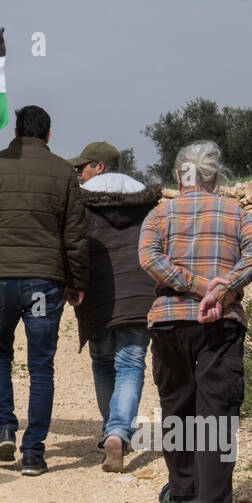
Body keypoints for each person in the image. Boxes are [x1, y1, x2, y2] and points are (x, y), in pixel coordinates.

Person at [138, 140, 252, 503]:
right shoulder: (236, 212)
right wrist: (220, 290)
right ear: (215, 179)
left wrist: (191, 286)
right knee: (218, 412)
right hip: (220, 322)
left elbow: (148, 258)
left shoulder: (159, 213)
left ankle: (183, 493)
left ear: (179, 177)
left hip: (168, 323)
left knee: (176, 405)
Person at [0, 105, 89, 476]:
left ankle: (4, 428)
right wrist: (76, 280)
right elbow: (75, 235)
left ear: (15, 132)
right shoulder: (64, 172)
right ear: (48, 136)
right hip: (42, 284)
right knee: (40, 365)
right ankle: (33, 452)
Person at [66, 141, 162, 473]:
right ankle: (119, 433)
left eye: (84, 166)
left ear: (101, 167)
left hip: (98, 296)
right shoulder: (148, 202)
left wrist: (72, 283)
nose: (78, 172)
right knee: (131, 364)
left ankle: (113, 429)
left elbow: (73, 245)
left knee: (103, 362)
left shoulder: (80, 202)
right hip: (140, 295)